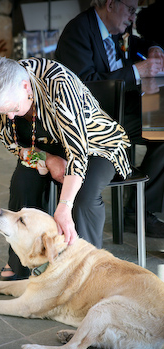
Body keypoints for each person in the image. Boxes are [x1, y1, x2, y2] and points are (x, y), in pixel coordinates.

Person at [0, 56, 131, 280]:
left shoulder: (58, 84)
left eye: (13, 108)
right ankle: (21, 263)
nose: (9, 116)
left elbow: (77, 152)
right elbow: (14, 146)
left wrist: (64, 206)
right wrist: (47, 159)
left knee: (83, 196)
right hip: (44, 148)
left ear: (26, 87)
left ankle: (87, 271)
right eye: (2, 112)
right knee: (22, 184)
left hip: (94, 147)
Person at [55, 0, 164, 238]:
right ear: (111, 4)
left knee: (163, 129)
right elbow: (85, 87)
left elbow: (139, 44)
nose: (133, 18)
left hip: (121, 112)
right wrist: (138, 71)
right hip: (94, 121)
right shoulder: (79, 31)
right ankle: (135, 212)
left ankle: (138, 209)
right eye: (131, 10)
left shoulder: (117, 29)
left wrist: (156, 49)